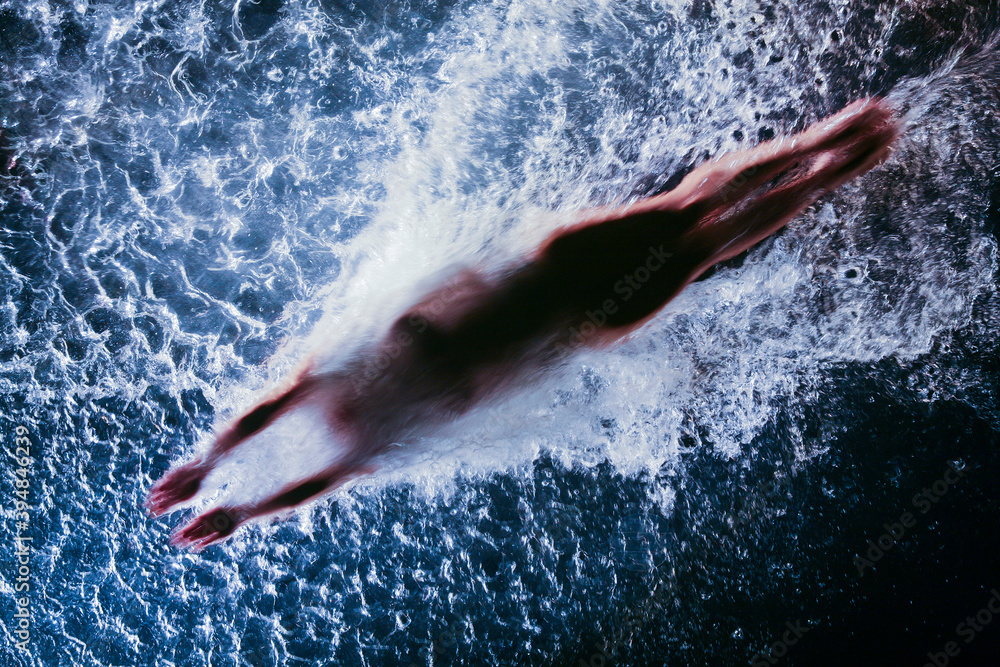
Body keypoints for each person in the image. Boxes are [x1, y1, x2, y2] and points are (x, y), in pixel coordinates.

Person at [147, 98, 899, 549]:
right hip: (560, 283)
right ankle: (818, 151)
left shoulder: (372, 426)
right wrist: (217, 481)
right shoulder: (356, 388)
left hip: (575, 307)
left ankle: (827, 166)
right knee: (688, 213)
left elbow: (307, 459)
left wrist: (229, 496)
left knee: (698, 239)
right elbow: (289, 427)